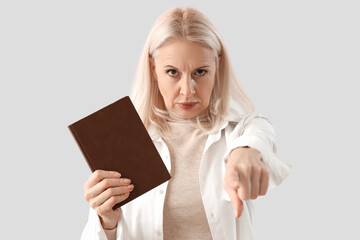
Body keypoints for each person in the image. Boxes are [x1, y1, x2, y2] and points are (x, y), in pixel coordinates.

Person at [81, 7, 292, 240]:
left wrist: (246, 151)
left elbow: (260, 131)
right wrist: (106, 221)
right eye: (172, 72)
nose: (187, 90)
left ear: (217, 66)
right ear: (153, 69)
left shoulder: (238, 132)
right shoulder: (124, 142)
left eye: (200, 72)